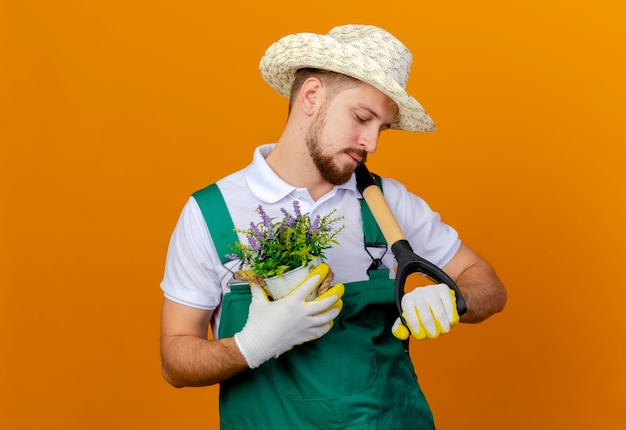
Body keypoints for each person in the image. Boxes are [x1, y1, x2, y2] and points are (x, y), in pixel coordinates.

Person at [160, 24, 507, 429]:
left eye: (383, 128)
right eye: (362, 118)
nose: (372, 143)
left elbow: (489, 286)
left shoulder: (386, 204)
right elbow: (175, 359)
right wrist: (251, 346)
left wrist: (452, 299)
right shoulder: (213, 213)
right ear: (311, 96)